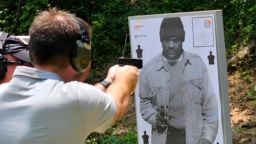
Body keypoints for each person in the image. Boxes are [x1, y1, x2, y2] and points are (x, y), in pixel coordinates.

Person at [0, 8, 139, 144]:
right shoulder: (77, 99)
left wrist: (107, 81)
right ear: (81, 56)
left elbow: (79, 98)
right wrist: (125, 76)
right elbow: (116, 107)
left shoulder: (4, 92)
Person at [139, 17, 218, 144]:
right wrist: (155, 118)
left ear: (182, 39)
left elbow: (210, 106)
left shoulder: (197, 65)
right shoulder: (149, 70)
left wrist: (207, 138)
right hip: (164, 138)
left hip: (194, 138)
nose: (171, 45)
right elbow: (144, 102)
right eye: (167, 40)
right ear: (161, 40)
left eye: (175, 41)